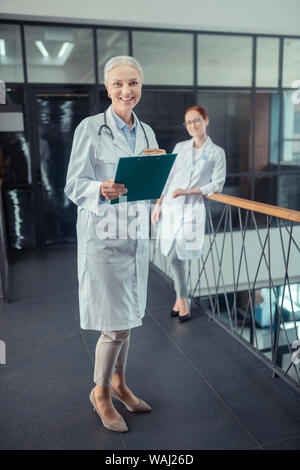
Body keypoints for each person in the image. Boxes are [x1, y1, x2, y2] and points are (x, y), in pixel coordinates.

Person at [64, 56, 165, 433]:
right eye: (119, 84)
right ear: (107, 88)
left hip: (134, 235)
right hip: (103, 237)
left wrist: (158, 193)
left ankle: (121, 384)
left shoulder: (148, 132)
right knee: (115, 326)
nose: (127, 91)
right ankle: (101, 392)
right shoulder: (90, 129)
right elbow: (74, 186)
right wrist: (99, 189)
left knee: (128, 320)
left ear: (141, 87)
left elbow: (149, 176)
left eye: (134, 83)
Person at [152, 106, 226, 322]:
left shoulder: (216, 152)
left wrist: (188, 191)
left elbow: (217, 184)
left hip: (192, 208)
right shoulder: (180, 147)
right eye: (188, 123)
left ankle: (183, 301)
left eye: (196, 121)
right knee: (171, 253)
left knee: (177, 255)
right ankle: (179, 299)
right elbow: (168, 178)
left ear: (206, 120)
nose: (192, 126)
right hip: (171, 207)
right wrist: (158, 204)